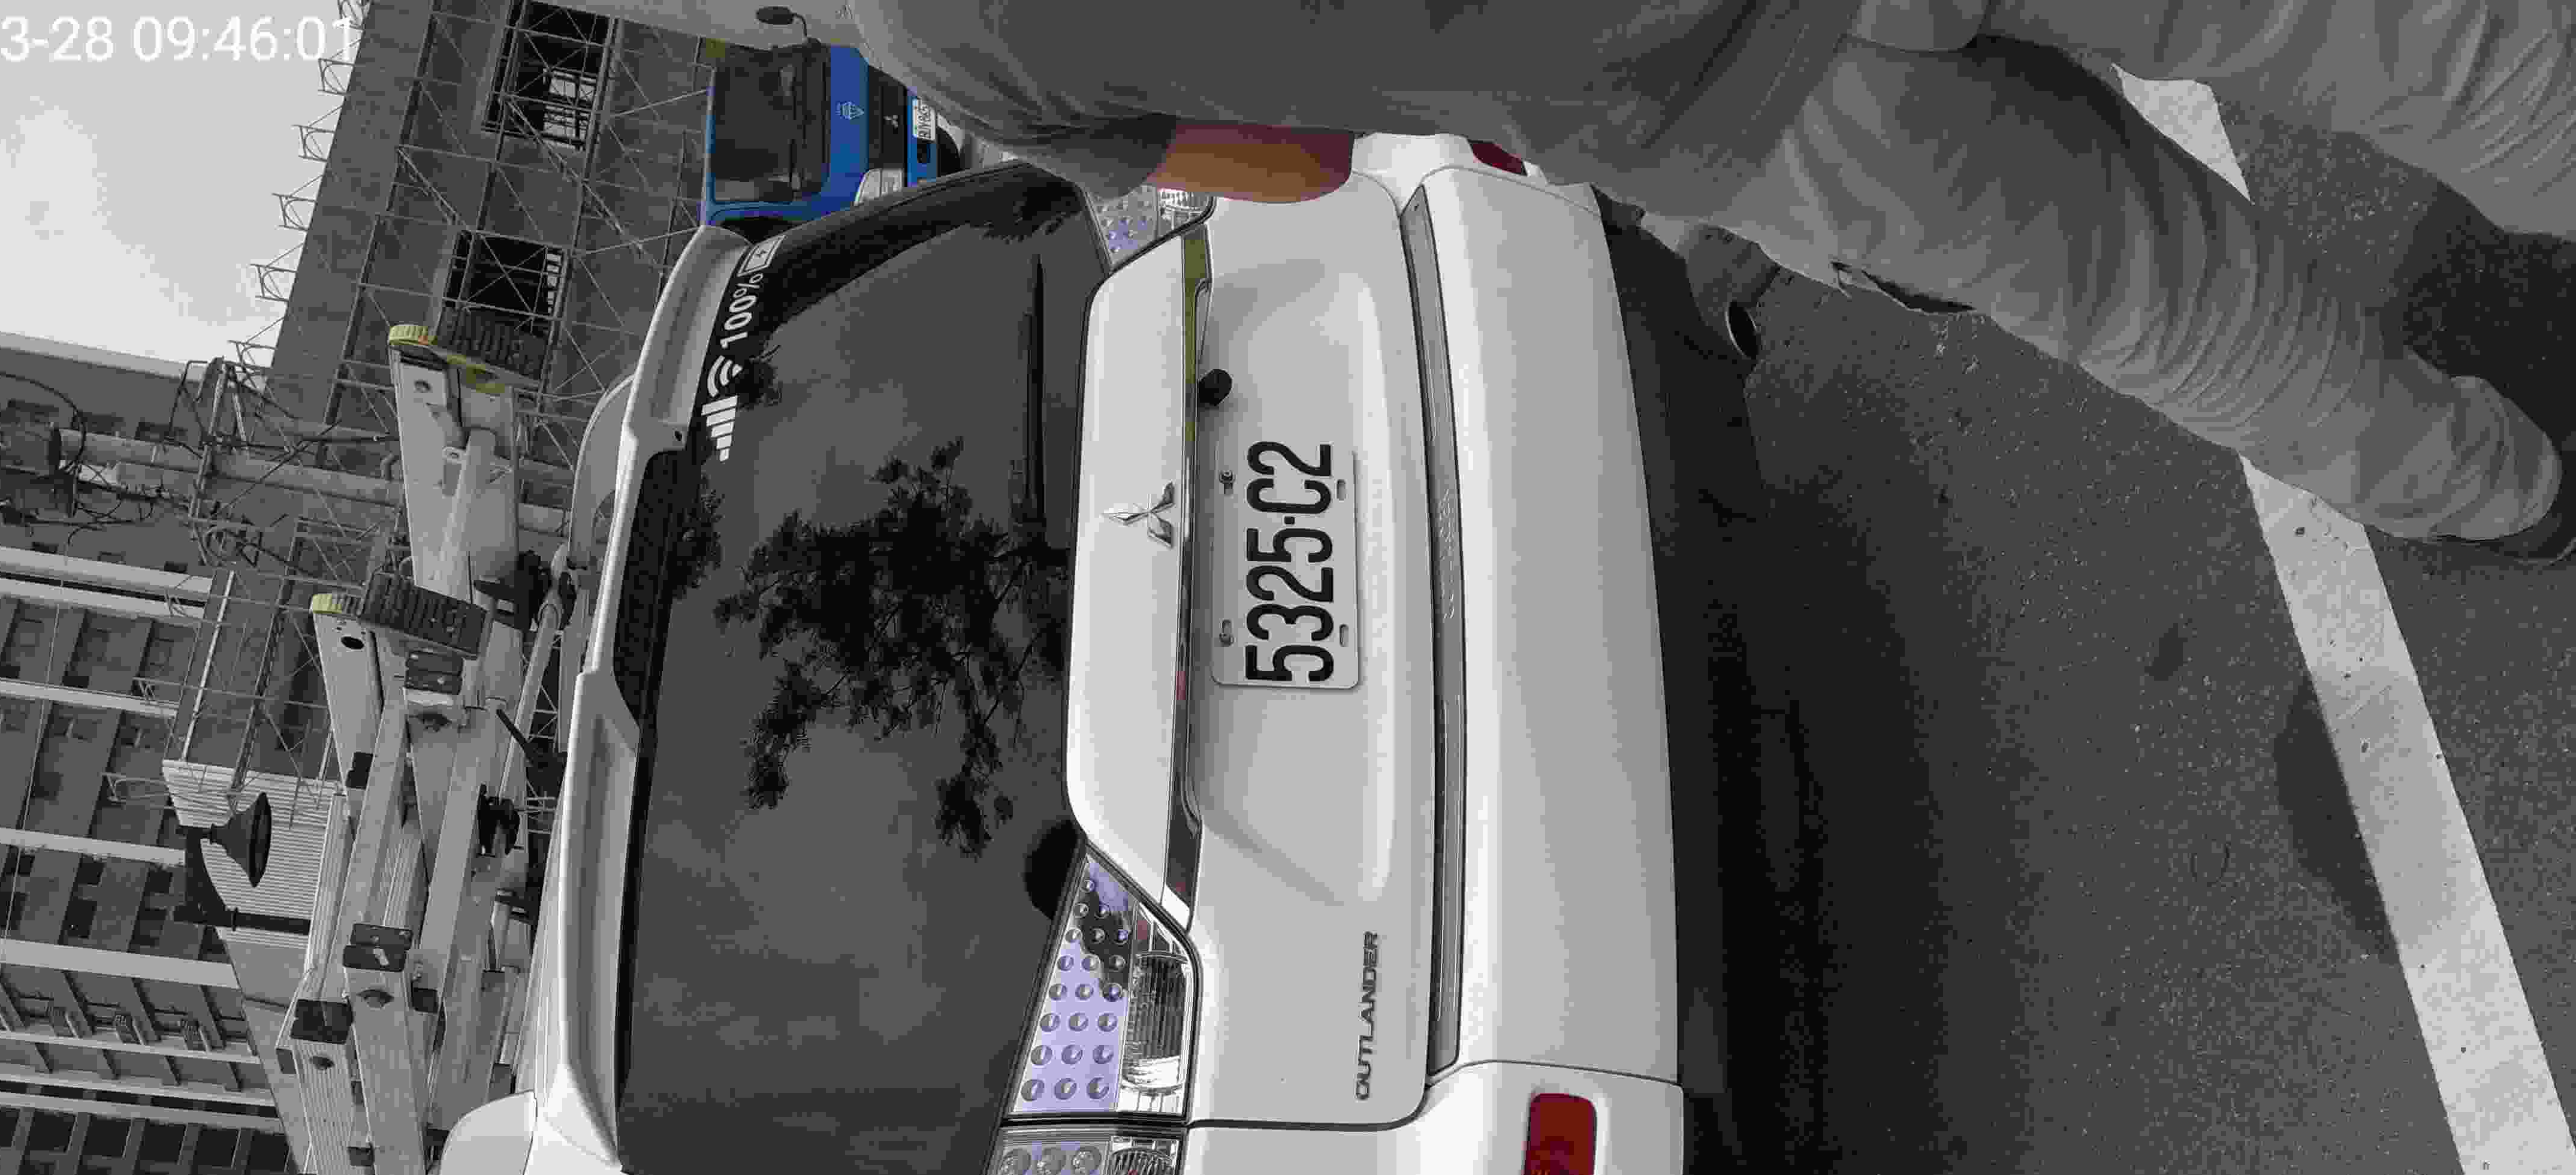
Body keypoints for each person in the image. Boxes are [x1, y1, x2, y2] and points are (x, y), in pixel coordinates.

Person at [841, 0, 2576, 567]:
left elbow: (1294, 170)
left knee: (2161, 298)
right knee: (2381, 30)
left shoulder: (954, 50)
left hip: (1710, 117)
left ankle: (2488, 493)